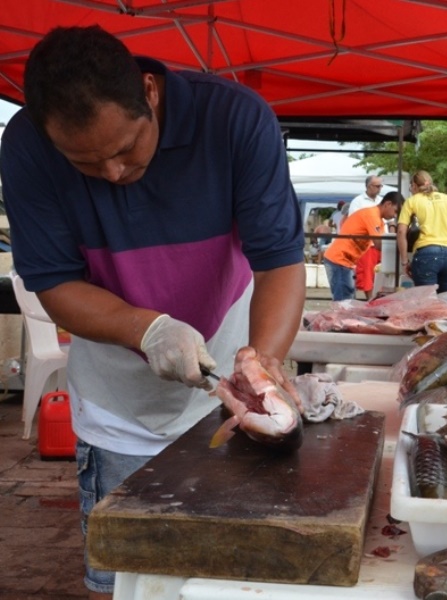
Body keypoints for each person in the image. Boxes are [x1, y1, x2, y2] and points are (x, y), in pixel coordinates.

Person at [0, 26, 307, 600]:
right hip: (121, 406)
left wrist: (262, 361)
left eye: (123, 149)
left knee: (229, 574)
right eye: (86, 163)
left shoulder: (236, 120)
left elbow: (280, 260)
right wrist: (147, 328)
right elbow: (54, 282)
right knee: (131, 581)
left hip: (229, 370)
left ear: (150, 91)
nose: (113, 174)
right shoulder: (25, 146)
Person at [396, 170, 447, 293]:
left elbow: (401, 232)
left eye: (410, 187)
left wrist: (404, 261)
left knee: (426, 304)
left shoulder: (412, 201)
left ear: (414, 185)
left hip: (426, 254)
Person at [322, 192, 402, 301]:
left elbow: (384, 242)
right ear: (388, 204)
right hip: (339, 260)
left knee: (347, 300)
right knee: (344, 303)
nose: (395, 215)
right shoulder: (372, 215)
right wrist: (401, 240)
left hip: (344, 261)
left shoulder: (378, 219)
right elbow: (379, 244)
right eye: (396, 211)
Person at [350, 175, 384, 299]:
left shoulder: (382, 201)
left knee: (382, 273)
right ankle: (370, 299)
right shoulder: (358, 201)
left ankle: (378, 299)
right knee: (367, 273)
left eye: (381, 186)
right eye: (377, 186)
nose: (380, 189)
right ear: (369, 186)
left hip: (383, 242)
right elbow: (353, 223)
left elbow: (390, 221)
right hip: (366, 244)